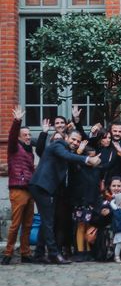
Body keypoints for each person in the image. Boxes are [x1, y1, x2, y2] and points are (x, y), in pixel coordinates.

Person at [29, 129, 101, 264]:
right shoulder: (59, 145)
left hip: (49, 189)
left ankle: (39, 254)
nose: (75, 142)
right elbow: (67, 156)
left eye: (78, 141)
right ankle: (53, 254)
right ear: (67, 137)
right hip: (41, 186)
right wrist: (88, 159)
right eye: (73, 139)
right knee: (49, 221)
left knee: (47, 221)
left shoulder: (69, 152)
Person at [3, 106, 35, 265]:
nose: (28, 137)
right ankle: (8, 253)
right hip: (18, 190)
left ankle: (25, 252)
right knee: (15, 224)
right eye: (26, 135)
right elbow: (11, 135)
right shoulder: (14, 148)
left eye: (29, 134)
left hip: (29, 190)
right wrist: (17, 121)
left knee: (28, 224)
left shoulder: (29, 151)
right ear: (20, 137)